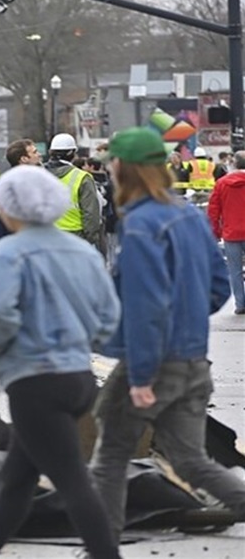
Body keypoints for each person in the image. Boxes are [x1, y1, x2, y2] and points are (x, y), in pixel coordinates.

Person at [89, 127, 245, 539]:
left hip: (154, 361)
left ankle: (101, 540)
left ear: (124, 168)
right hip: (194, 358)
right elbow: (217, 286)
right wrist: (189, 319)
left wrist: (141, 376)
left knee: (111, 453)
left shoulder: (140, 226)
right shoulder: (187, 215)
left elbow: (145, 307)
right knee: (190, 458)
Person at [0, 165, 122, 559]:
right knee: (19, 476)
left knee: (71, 479)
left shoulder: (10, 254)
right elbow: (108, 316)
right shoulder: (83, 253)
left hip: (35, 380)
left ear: (10, 208)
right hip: (78, 378)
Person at [44, 133, 104, 253]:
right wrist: (92, 239)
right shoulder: (82, 177)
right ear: (72, 153)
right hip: (76, 237)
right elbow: (90, 213)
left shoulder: (37, 174)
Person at [208, 150, 245, 314]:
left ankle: (240, 304)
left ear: (234, 164)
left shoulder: (222, 183)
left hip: (231, 233)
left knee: (234, 270)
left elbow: (213, 211)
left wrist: (214, 233)